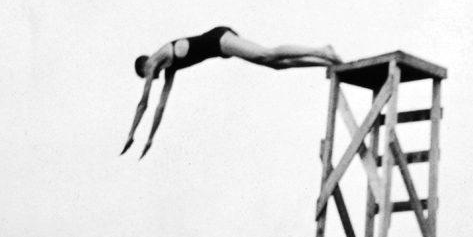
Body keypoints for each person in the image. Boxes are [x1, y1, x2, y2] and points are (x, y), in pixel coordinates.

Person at [120, 26, 341, 159]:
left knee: (267, 54)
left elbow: (144, 103)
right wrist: (150, 138)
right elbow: (160, 106)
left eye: (147, 75)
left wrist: (131, 134)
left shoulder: (155, 60)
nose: (152, 78)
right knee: (274, 64)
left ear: (144, 65)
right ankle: (323, 61)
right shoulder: (169, 67)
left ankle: (321, 50)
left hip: (220, 39)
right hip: (220, 46)